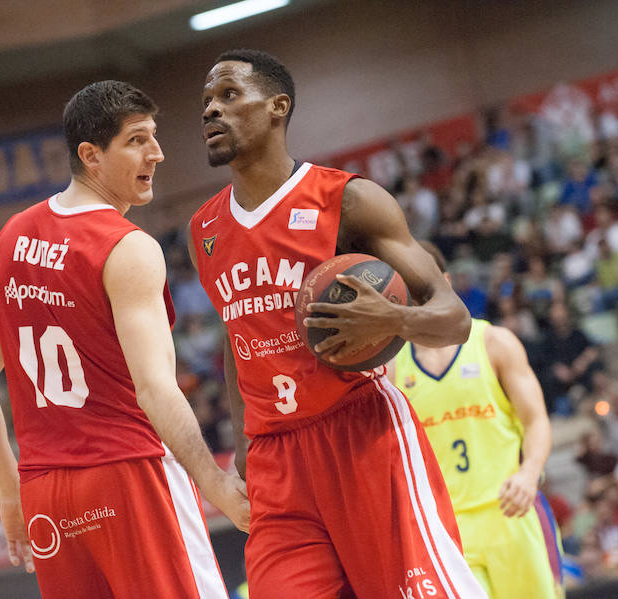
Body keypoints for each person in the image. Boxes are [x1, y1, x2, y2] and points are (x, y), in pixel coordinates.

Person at [189, 49, 485, 598]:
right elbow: (238, 338)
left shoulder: (348, 201)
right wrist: (244, 450)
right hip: (277, 460)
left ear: (278, 106)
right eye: (206, 101)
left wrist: (393, 317)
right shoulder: (204, 228)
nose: (211, 110)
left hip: (362, 432)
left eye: (228, 95)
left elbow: (455, 319)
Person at [0, 80, 248, 599]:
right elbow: (156, 390)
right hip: (127, 475)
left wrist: (10, 492)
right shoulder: (126, 247)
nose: (156, 153)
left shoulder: (8, 239)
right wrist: (215, 484)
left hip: (46, 492)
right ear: (90, 154)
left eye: (154, 137)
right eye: (136, 140)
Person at [390, 244, 563, 599]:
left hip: (511, 512)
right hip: (445, 528)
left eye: (423, 284)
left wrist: (529, 474)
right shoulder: (392, 369)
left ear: (446, 283)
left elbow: (536, 421)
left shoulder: (495, 342)